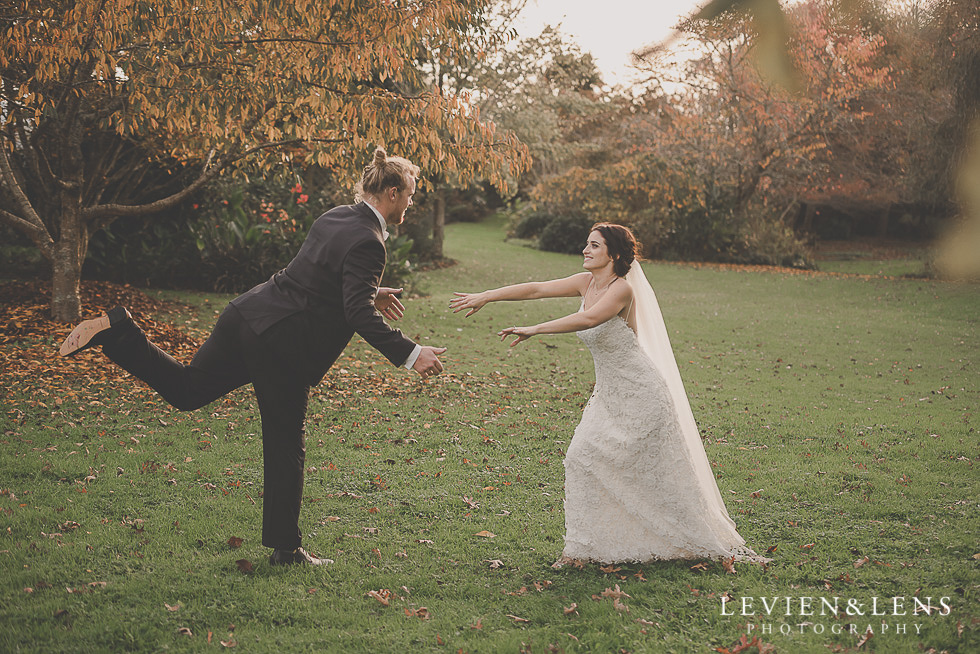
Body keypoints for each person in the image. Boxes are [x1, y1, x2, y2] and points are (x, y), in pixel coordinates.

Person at [59, 147, 447, 566]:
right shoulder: (370, 243)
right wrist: (411, 353)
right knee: (285, 444)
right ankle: (286, 549)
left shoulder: (335, 216)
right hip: (282, 347)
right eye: (409, 193)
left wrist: (370, 291)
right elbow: (355, 313)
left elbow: (315, 278)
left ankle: (120, 332)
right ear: (391, 192)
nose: (411, 202)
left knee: (189, 391)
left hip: (247, 315)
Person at [450, 223, 765, 566]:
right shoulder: (586, 282)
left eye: (594, 246)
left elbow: (589, 320)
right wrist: (487, 295)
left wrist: (535, 328)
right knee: (581, 457)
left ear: (613, 254)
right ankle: (581, 550)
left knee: (649, 472)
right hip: (610, 393)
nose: (585, 250)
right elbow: (536, 288)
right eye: (586, 244)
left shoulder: (622, 290)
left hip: (642, 393)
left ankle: (681, 540)